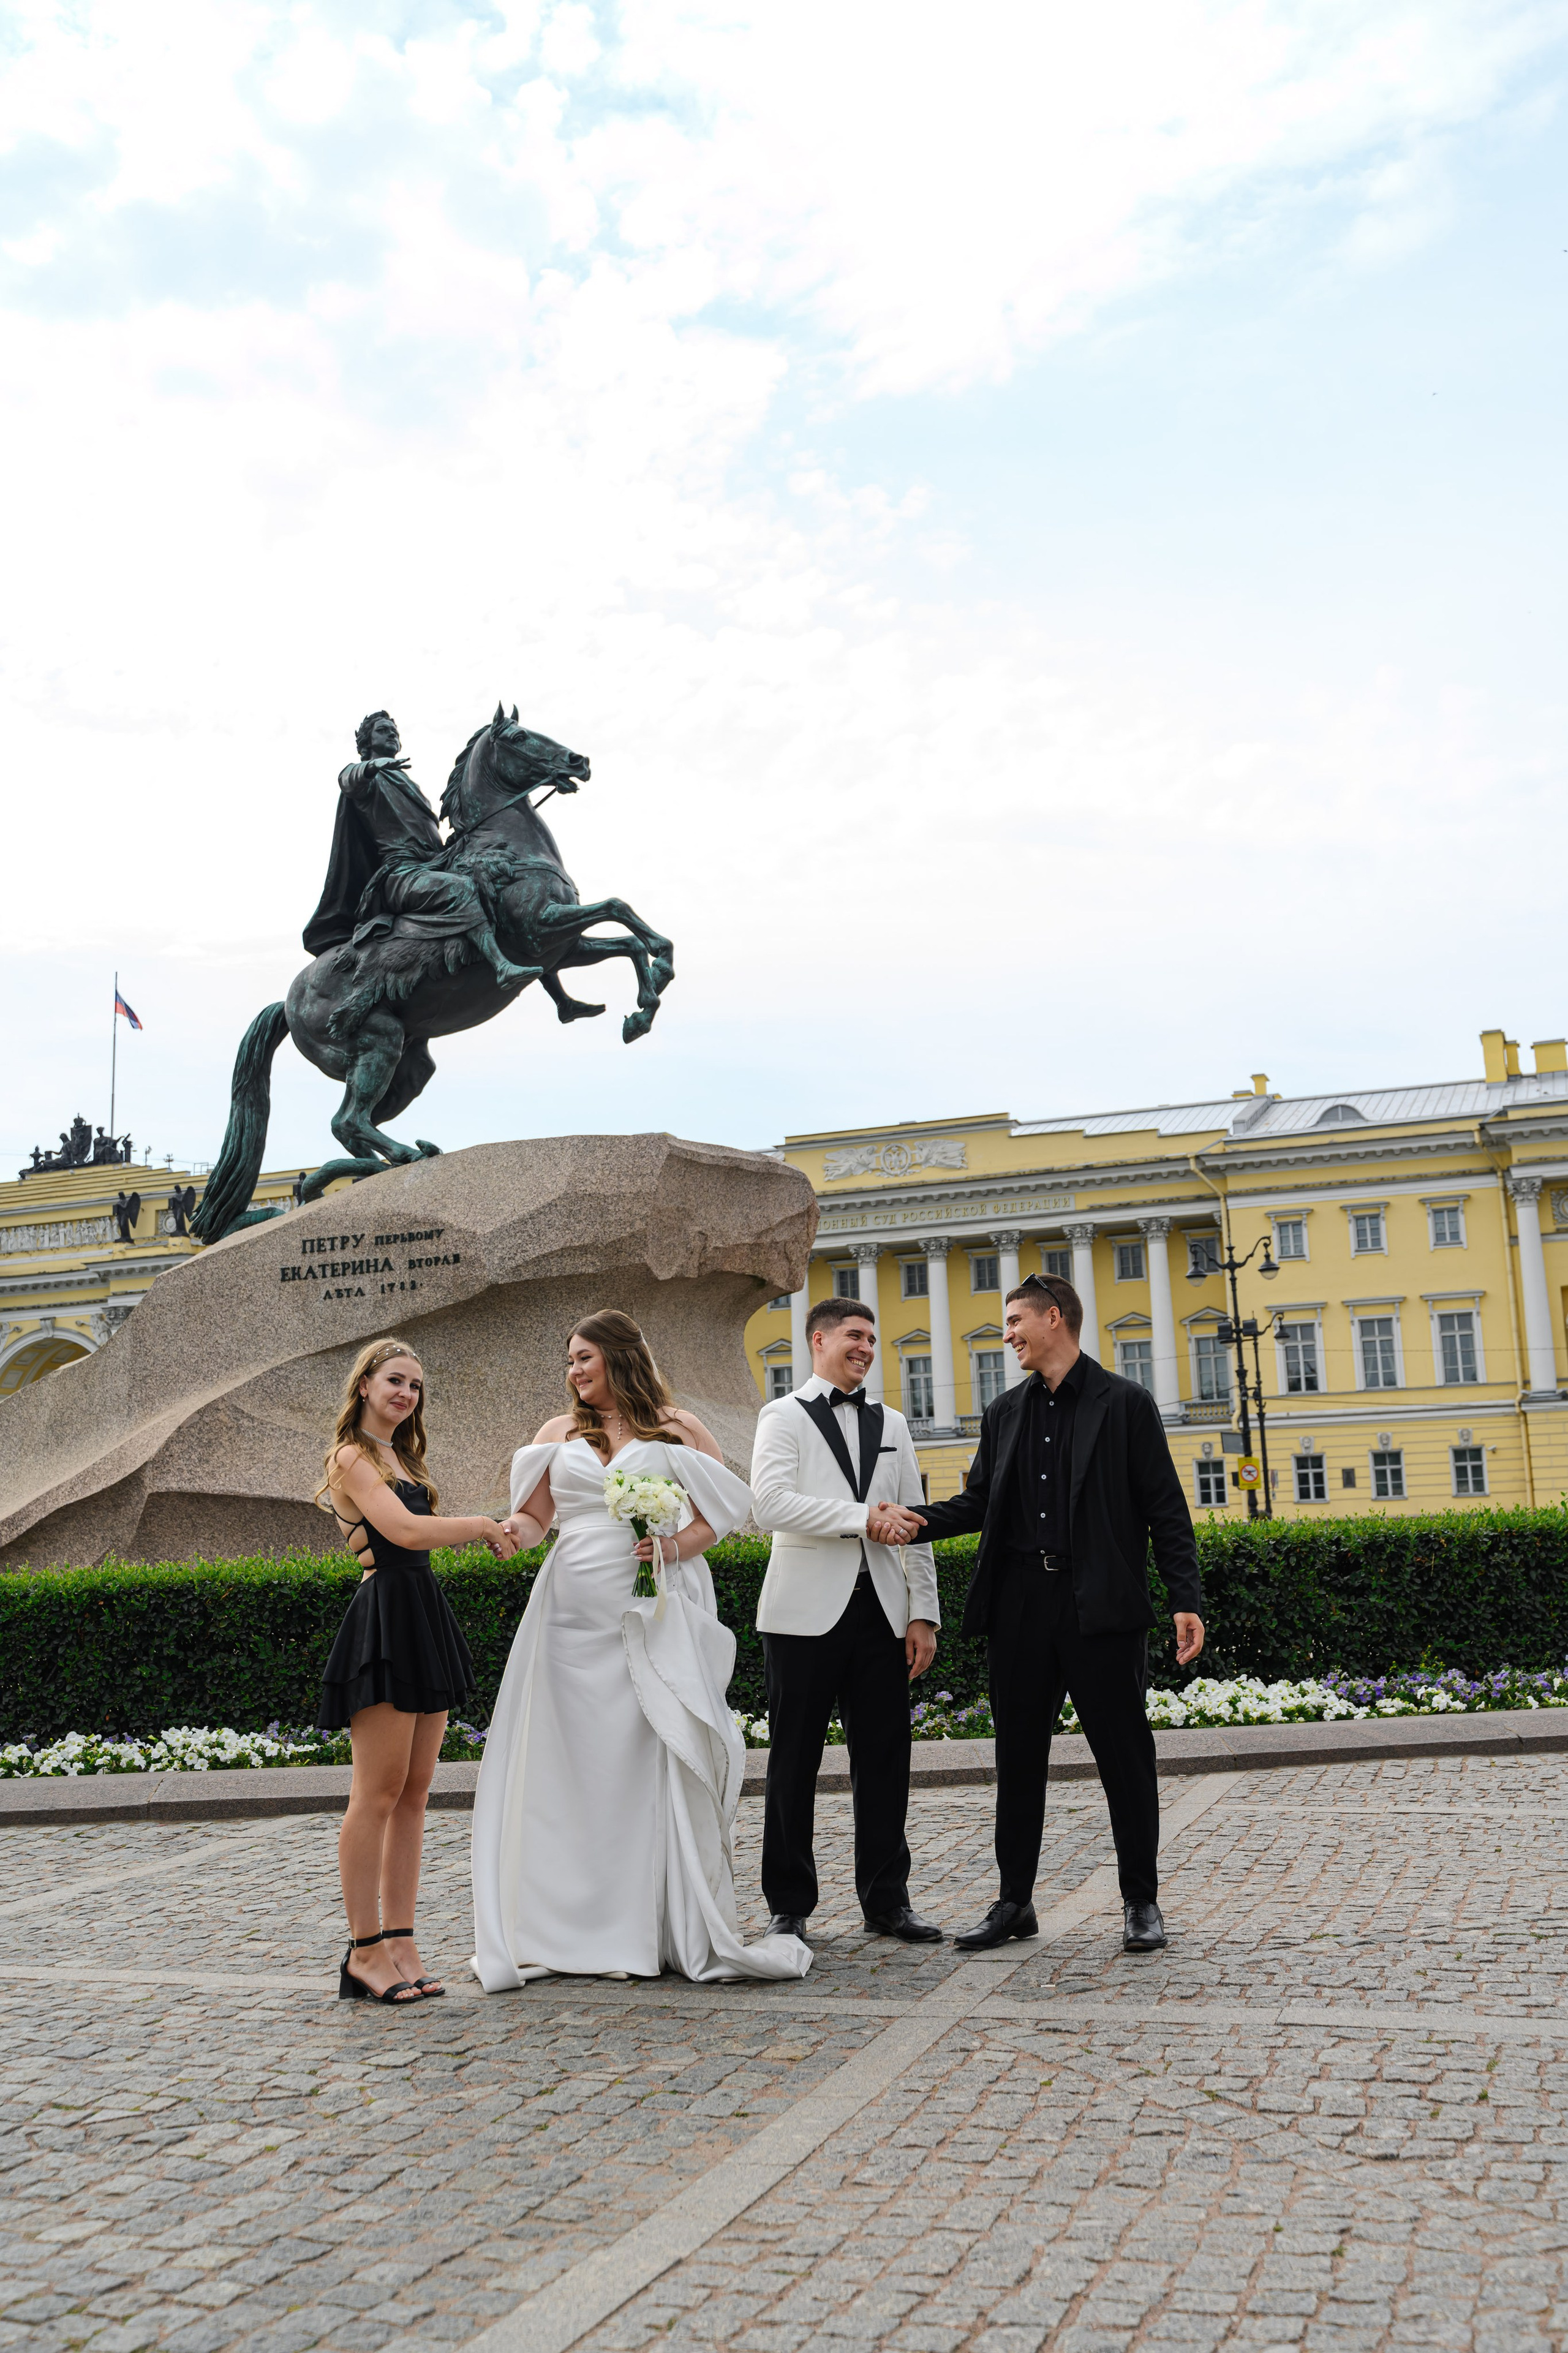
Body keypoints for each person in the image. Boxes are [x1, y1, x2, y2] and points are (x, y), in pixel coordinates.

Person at [470, 1310, 811, 1987]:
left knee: (644, 1757)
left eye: (583, 1358)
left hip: (649, 1610)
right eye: (569, 1361)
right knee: (573, 1767)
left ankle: (647, 1922)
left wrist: (671, 1545)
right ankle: (564, 1926)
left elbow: (723, 1513)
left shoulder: (676, 1427)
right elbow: (539, 1517)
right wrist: (511, 1527)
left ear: (620, 1357)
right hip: (568, 1618)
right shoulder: (556, 1434)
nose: (573, 1372)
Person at [901, 1272, 1203, 1954]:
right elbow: (978, 1503)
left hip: (1099, 1609)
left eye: (1015, 1322)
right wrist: (909, 1522)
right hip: (1020, 1610)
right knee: (1018, 1760)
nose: (1006, 1335)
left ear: (1054, 1317)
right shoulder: (1005, 1412)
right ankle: (1014, 1902)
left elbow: (1165, 1511)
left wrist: (1185, 1599)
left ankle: (1140, 1901)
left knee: (1125, 1757)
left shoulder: (1125, 1403)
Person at [317, 1337, 519, 2004]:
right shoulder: (350, 1455)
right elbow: (401, 1532)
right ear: (366, 1384)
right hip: (384, 1619)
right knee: (375, 1793)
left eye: (415, 1386)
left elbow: (416, 1534)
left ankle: (402, 1941)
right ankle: (363, 1950)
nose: (406, 1394)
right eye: (395, 1381)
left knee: (414, 1792)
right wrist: (483, 1525)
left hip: (421, 1611)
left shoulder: (402, 1454)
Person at [748, 1295, 942, 1945]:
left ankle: (887, 1900)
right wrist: (860, 1517)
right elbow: (769, 1503)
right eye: (854, 1335)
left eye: (872, 1337)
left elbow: (914, 1521)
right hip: (801, 1616)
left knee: (886, 1760)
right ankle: (789, 1904)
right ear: (819, 1339)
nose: (865, 1346)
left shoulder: (892, 1420)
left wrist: (924, 1614)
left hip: (882, 1614)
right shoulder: (781, 1415)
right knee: (792, 1761)